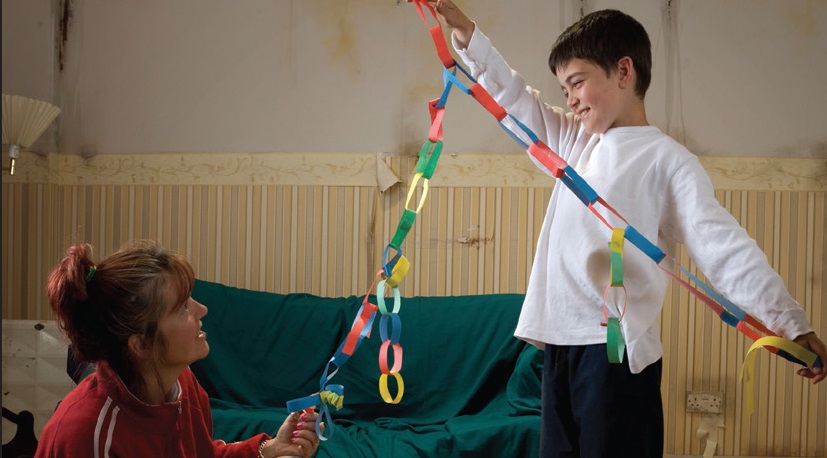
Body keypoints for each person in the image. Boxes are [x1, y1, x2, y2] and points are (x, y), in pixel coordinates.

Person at [429, 1, 827, 457]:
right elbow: (514, 97)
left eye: (577, 82)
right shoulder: (574, 141)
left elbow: (725, 249)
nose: (570, 99)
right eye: (564, 88)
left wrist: (790, 324)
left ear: (623, 71)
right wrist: (465, 33)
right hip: (558, 343)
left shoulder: (668, 161)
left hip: (615, 355)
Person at [36, 240, 322, 458]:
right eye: (183, 306)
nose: (202, 309)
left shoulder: (181, 383)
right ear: (141, 343)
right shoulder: (89, 436)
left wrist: (270, 449)